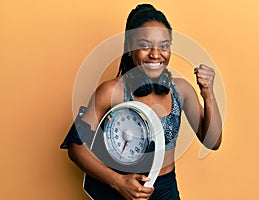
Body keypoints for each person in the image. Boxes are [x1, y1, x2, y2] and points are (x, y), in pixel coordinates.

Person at [60, 4, 222, 200]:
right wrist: (117, 182)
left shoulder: (181, 90)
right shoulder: (112, 91)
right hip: (122, 190)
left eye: (164, 46)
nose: (155, 54)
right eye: (145, 45)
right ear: (130, 47)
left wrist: (208, 94)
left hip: (166, 190)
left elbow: (212, 142)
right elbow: (76, 148)